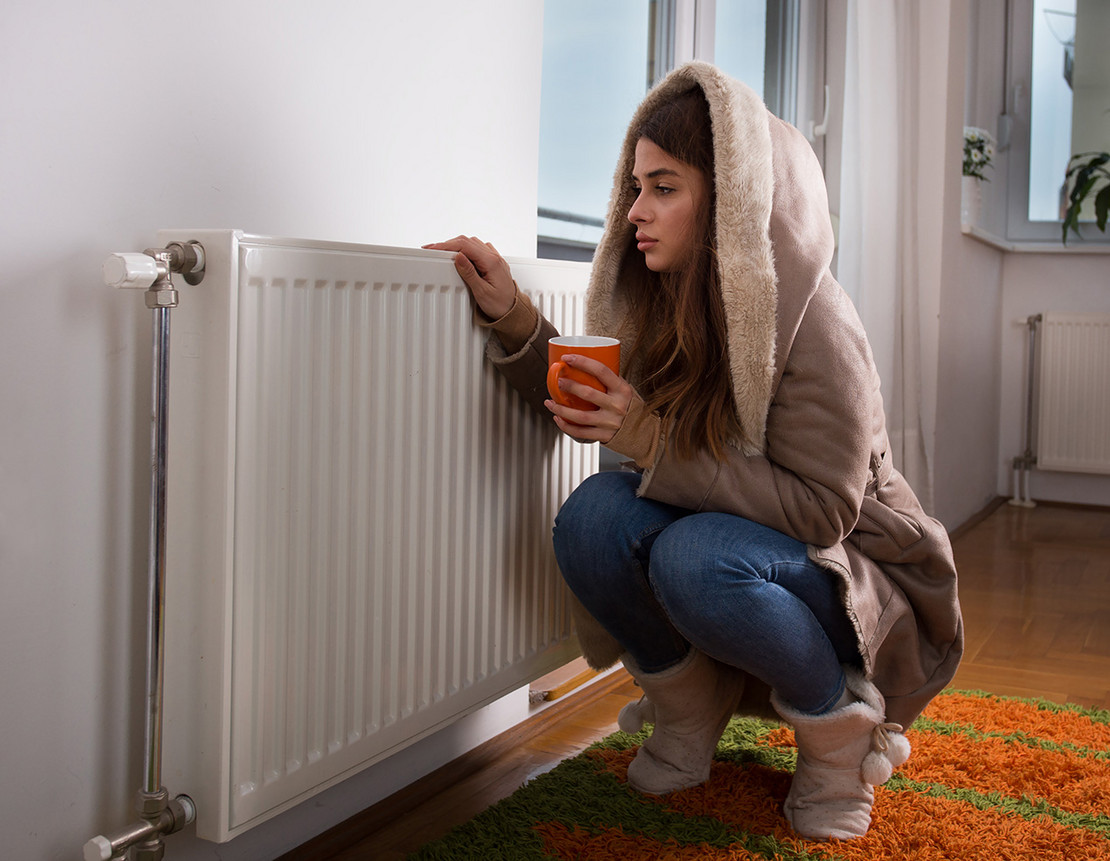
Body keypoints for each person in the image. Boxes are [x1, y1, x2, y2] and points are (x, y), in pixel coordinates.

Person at [425, 61, 962, 842]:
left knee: (693, 554)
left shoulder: (820, 329)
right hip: (733, 540)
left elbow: (824, 512)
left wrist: (648, 437)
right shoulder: (668, 299)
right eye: (636, 186)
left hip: (851, 571)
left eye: (665, 187)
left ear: (733, 204)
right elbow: (606, 402)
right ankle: (689, 711)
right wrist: (513, 316)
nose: (636, 210)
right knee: (590, 519)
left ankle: (841, 735)